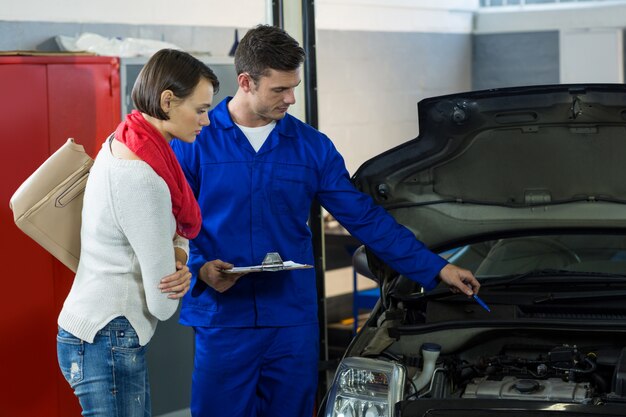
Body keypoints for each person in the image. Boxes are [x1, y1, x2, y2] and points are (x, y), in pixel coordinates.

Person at [171, 25, 481, 417]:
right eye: (280, 90)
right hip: (223, 319)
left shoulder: (311, 147)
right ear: (246, 82)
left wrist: (437, 268)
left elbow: (364, 218)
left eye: (294, 87)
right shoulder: (196, 142)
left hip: (291, 321)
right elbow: (173, 224)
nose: (291, 98)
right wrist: (199, 269)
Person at [56, 48, 220, 417]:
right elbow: (163, 303)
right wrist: (182, 270)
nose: (206, 121)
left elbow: (177, 229)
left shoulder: (128, 141)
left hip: (97, 333)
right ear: (167, 101)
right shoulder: (143, 178)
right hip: (108, 336)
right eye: (200, 109)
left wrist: (178, 255)